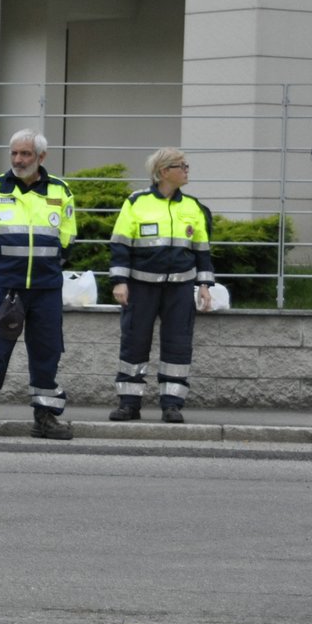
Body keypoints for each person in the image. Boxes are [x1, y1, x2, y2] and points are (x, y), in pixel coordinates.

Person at [0, 128, 77, 440]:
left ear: (41, 157)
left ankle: (46, 418)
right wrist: (2, 269)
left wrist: (46, 268)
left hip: (46, 288)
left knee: (47, 353)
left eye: (25, 154)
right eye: (14, 153)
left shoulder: (61, 191)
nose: (18, 159)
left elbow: (67, 241)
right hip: (5, 287)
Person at [106, 148, 215, 423]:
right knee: (134, 344)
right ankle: (129, 404)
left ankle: (172, 405)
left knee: (178, 346)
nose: (187, 170)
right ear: (164, 172)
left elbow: (202, 251)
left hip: (180, 289)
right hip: (141, 287)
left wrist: (204, 286)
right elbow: (120, 245)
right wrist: (120, 281)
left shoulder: (193, 206)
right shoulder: (136, 202)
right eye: (182, 166)